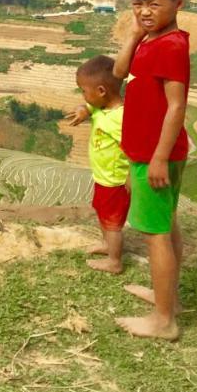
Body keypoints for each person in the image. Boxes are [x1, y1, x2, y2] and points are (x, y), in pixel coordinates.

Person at [111, 0, 190, 340]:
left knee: (156, 234)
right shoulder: (152, 39)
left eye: (154, 4)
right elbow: (119, 72)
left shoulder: (171, 47)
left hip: (157, 154)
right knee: (167, 224)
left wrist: (157, 157)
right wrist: (132, 35)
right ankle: (167, 300)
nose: (144, 11)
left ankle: (164, 320)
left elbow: (176, 106)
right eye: (137, 3)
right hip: (148, 151)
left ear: (178, 3)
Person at [65, 55, 130, 274]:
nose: (83, 95)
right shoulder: (103, 107)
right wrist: (84, 109)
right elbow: (92, 107)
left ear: (101, 91)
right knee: (102, 213)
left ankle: (115, 261)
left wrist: (130, 177)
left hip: (114, 182)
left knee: (112, 222)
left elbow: (134, 148)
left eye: (84, 91)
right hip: (103, 178)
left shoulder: (121, 119)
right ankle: (107, 245)